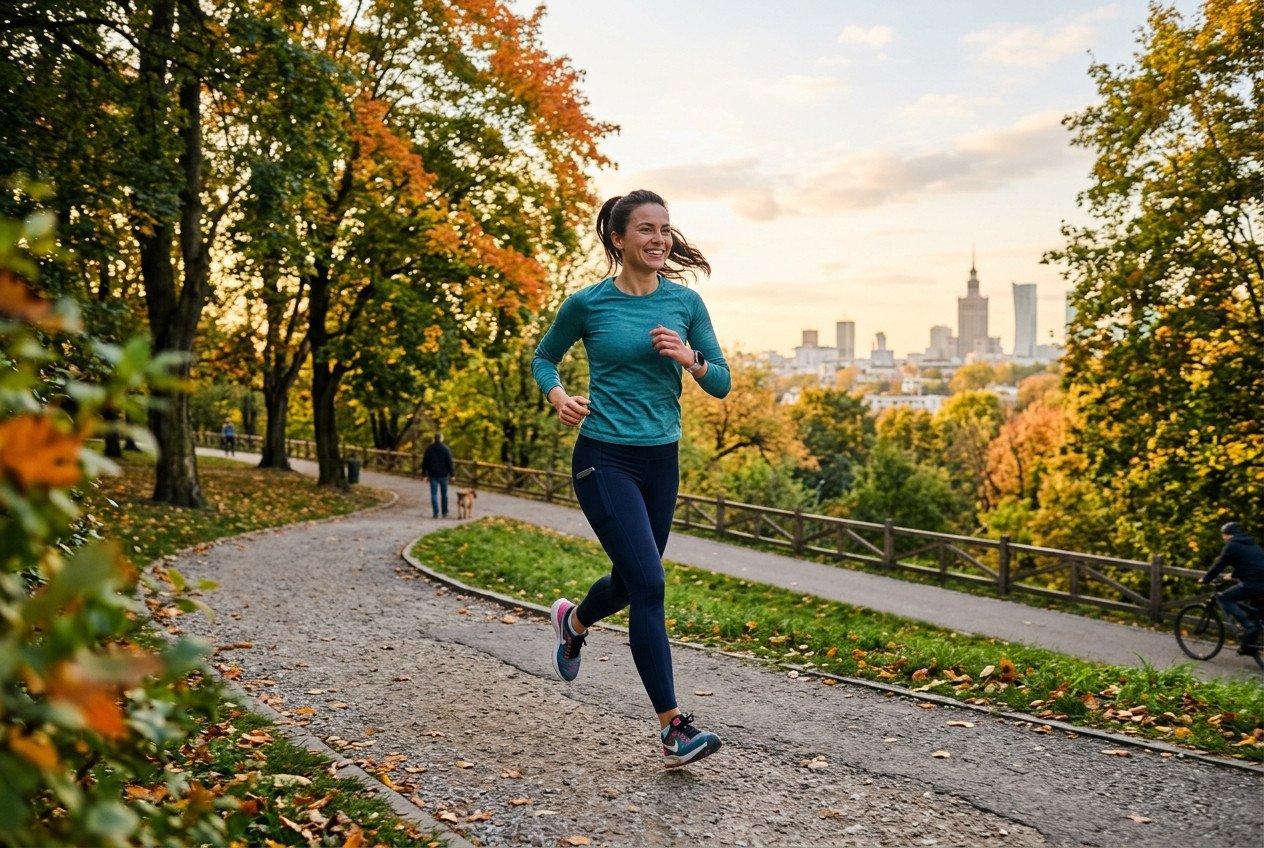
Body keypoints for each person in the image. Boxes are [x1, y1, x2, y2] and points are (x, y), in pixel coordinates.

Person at [531, 189, 731, 768]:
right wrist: (560, 395)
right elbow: (544, 358)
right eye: (646, 229)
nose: (659, 240)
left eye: (665, 229)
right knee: (650, 583)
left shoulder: (685, 304)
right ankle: (673, 728)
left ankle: (575, 619)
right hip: (603, 458)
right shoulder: (588, 304)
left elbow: (720, 382)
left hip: (659, 461)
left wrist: (688, 358)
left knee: (630, 579)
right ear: (618, 240)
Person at [1200, 521, 1264, 653]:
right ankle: (1249, 647)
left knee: (1224, 598)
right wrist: (1234, 574)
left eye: (1223, 535)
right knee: (1254, 614)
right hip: (1260, 583)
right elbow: (1253, 564)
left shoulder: (1233, 545)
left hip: (1254, 584)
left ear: (1227, 535)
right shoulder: (1251, 544)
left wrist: (1206, 579)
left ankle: (1248, 626)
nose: (1223, 538)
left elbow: (1220, 564)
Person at [421, 432, 455, 518]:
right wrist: (452, 475)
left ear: (434, 438)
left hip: (432, 475)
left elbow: (425, 462)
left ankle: (435, 512)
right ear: (441, 439)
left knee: (434, 494)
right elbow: (449, 463)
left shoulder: (429, 449)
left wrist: (424, 475)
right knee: (444, 494)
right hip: (443, 475)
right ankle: (444, 512)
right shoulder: (446, 449)